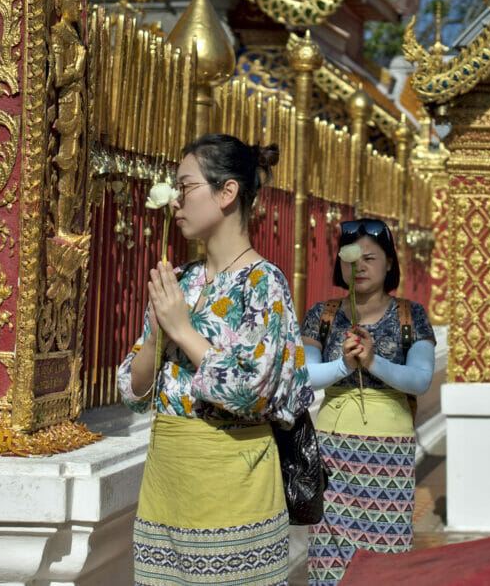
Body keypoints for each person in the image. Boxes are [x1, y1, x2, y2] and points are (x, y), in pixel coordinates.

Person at [117, 134, 313, 585]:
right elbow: (132, 390)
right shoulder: (181, 281)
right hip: (167, 489)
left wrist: (182, 330)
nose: (176, 201)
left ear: (227, 193)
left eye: (185, 188)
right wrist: (155, 332)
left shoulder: (264, 284)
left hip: (233, 487)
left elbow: (249, 391)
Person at [300, 218, 436, 585]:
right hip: (331, 449)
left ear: (390, 263)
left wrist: (374, 361)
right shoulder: (322, 315)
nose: (358, 267)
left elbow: (421, 379)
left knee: (386, 554)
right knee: (330, 559)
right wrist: (344, 364)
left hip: (389, 453)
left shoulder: (411, 315)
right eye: (350, 258)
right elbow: (306, 375)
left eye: (370, 258)